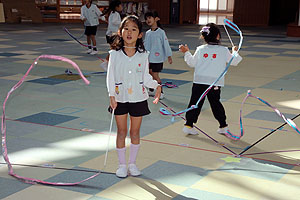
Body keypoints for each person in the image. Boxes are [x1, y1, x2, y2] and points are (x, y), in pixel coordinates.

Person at [106, 15, 162, 178]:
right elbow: (110, 76)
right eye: (126, 29)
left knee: (135, 132)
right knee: (122, 131)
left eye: (134, 29)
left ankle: (132, 164)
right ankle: (122, 165)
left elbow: (145, 77)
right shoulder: (114, 54)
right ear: (120, 32)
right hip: (120, 98)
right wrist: (111, 95)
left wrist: (156, 85)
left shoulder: (144, 55)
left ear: (139, 35)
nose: (129, 32)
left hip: (139, 98)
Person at [179, 23, 242, 135]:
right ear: (218, 36)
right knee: (215, 104)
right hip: (214, 83)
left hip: (199, 82)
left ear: (203, 36)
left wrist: (187, 52)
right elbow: (235, 61)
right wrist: (235, 52)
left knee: (195, 102)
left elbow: (191, 63)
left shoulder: (200, 49)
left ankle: (188, 124)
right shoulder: (223, 50)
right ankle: (223, 125)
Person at [144, 10, 172, 99]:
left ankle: (161, 92)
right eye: (146, 18)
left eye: (150, 18)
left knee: (155, 75)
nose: (148, 20)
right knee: (149, 73)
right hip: (149, 58)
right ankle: (151, 90)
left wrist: (169, 55)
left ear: (156, 19)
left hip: (157, 58)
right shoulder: (148, 33)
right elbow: (145, 45)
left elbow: (166, 44)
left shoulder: (161, 32)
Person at [100, 0, 123, 71]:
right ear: (117, 7)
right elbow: (113, 23)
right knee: (115, 50)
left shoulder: (113, 13)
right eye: (120, 5)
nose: (122, 7)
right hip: (113, 35)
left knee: (115, 50)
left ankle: (110, 64)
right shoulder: (115, 14)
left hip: (112, 35)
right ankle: (106, 63)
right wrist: (121, 23)